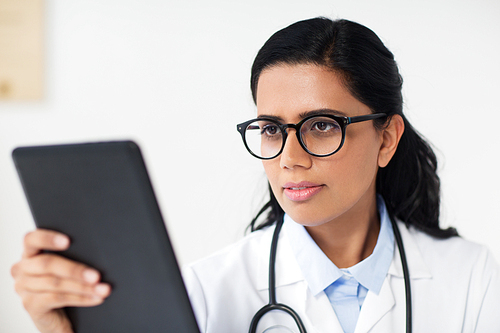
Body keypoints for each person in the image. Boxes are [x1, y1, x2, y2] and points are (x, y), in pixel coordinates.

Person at [11, 17, 500, 333]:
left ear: (387, 139)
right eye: (271, 129)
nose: (289, 157)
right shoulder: (204, 292)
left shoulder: (474, 281)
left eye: (321, 125)